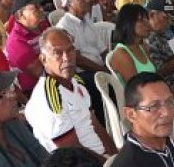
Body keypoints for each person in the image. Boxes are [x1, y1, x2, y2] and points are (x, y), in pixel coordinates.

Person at [25, 28, 117, 160]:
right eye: (57, 53)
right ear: (44, 59)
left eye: (70, 50)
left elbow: (95, 125)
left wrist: (115, 157)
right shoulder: (49, 98)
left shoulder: (76, 82)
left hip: (101, 158)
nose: (66, 58)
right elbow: (73, 152)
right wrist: (108, 165)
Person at [56, 0, 109, 123]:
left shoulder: (86, 20)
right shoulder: (64, 26)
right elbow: (77, 59)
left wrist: (110, 65)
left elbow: (102, 49)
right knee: (99, 91)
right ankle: (104, 125)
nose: (86, 0)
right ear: (70, 4)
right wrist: (102, 70)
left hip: (98, 67)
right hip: (83, 74)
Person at [5, 0, 46, 94]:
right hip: (37, 89)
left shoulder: (42, 23)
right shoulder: (15, 42)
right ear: (21, 15)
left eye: (40, 6)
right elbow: (39, 72)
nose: (41, 9)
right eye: (35, 8)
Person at [109, 4, 156, 86]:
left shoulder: (142, 47)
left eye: (147, 19)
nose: (148, 24)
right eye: (141, 20)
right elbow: (135, 88)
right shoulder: (121, 54)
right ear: (128, 24)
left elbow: (155, 76)